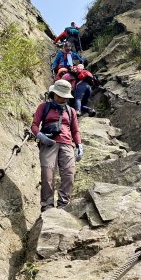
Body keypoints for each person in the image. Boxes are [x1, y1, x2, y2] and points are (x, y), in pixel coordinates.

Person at [31, 79, 84, 212]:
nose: (62, 99)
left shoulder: (71, 111)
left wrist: (79, 145)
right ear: (53, 94)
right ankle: (47, 206)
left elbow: (75, 130)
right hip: (48, 144)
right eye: (60, 96)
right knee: (47, 175)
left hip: (67, 144)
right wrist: (40, 136)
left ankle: (64, 205)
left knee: (69, 174)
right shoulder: (44, 107)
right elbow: (34, 125)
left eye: (65, 97)